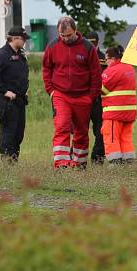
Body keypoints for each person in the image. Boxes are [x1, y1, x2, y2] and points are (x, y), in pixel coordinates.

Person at [43, 16, 102, 169]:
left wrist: (91, 96)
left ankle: (79, 163)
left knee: (81, 131)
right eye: (62, 36)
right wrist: (51, 91)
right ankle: (61, 163)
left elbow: (96, 73)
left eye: (69, 35)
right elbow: (47, 69)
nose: (66, 39)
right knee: (61, 126)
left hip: (83, 96)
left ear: (75, 31)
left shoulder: (88, 47)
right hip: (60, 95)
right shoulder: (52, 46)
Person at [0, 27, 30, 163]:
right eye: (23, 39)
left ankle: (14, 160)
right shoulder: (2, 54)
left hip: (19, 100)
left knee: (18, 133)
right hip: (7, 101)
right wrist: (4, 91)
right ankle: (7, 162)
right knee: (8, 132)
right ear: (14, 38)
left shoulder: (20, 54)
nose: (24, 42)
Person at [100, 45, 137, 163]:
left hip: (114, 112)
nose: (106, 62)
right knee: (125, 138)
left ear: (112, 58)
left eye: (107, 59)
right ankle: (129, 161)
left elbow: (103, 89)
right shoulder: (129, 68)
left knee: (111, 137)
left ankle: (115, 163)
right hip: (129, 112)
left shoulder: (112, 70)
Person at [85, 31, 107, 164]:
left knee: (100, 131)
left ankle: (97, 158)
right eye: (88, 43)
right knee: (80, 131)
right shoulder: (81, 55)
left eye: (93, 43)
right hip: (84, 99)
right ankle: (75, 158)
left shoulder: (103, 58)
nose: (91, 46)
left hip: (98, 100)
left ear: (98, 43)